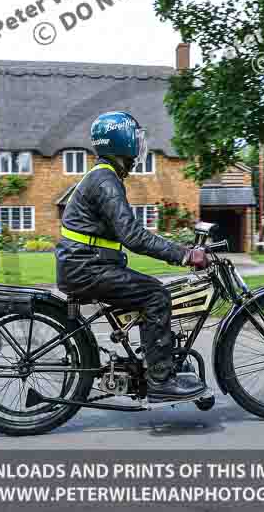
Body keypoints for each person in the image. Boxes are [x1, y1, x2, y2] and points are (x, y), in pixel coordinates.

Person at [55, 111, 210, 401]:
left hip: (84, 264)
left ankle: (161, 361)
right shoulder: (105, 180)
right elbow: (133, 236)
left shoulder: (103, 176)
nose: (139, 146)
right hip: (87, 268)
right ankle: (161, 380)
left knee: (146, 292)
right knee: (155, 295)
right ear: (122, 141)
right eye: (136, 139)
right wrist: (185, 255)